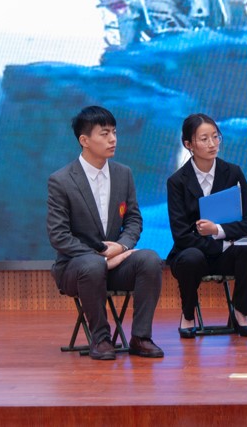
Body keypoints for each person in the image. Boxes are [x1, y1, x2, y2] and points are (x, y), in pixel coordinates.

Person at [47, 106, 164, 360]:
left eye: (114, 132)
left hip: (115, 262)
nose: (113, 139)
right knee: (92, 265)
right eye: (105, 133)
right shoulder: (61, 180)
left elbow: (133, 219)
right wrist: (101, 256)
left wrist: (121, 247)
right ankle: (100, 339)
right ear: (84, 140)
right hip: (75, 268)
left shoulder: (124, 174)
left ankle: (141, 337)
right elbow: (59, 235)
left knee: (150, 260)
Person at [166, 114, 247, 338]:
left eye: (215, 137)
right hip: (193, 255)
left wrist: (217, 230)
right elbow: (181, 234)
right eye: (204, 139)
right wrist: (217, 245)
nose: (212, 144)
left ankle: (241, 312)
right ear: (188, 144)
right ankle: (188, 315)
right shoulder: (177, 182)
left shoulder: (233, 173)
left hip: (226, 254)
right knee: (191, 257)